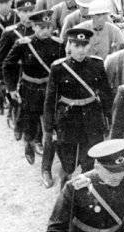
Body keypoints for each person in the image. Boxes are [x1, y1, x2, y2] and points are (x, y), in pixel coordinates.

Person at [43, 27, 114, 181]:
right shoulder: (58, 68)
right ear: (69, 46)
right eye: (77, 46)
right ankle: (65, 180)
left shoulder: (97, 64)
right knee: (68, 162)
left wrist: (109, 117)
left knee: (90, 159)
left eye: (85, 46)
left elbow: (106, 93)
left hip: (92, 118)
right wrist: (49, 128)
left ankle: (83, 191)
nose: (81, 50)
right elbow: (50, 100)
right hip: (68, 120)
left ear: (89, 45)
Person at [3, 9, 63, 166]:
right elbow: (8, 65)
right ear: (34, 27)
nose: (45, 31)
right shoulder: (23, 45)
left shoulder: (58, 45)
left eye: (48, 27)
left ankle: (47, 157)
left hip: (50, 90)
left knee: (52, 124)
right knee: (30, 122)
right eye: (41, 28)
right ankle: (29, 144)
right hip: (29, 89)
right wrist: (11, 88)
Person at [0, 0, 36, 132]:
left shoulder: (41, 30)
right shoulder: (10, 33)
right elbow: (0, 60)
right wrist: (3, 82)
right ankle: (17, 123)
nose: (29, 14)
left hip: (34, 74)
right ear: (18, 13)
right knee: (19, 105)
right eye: (25, 11)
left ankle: (33, 138)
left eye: (31, 10)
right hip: (15, 75)